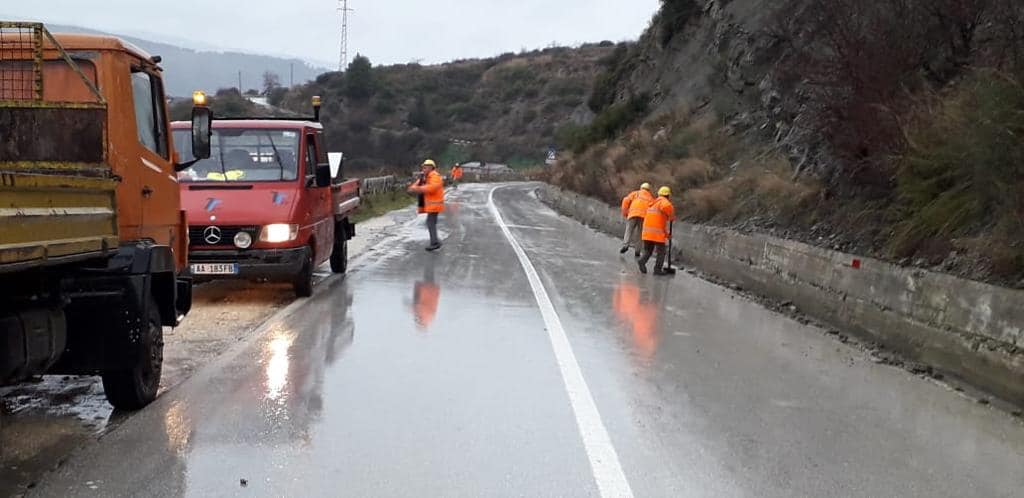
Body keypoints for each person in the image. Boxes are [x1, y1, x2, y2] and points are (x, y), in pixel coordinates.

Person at [408, 159, 445, 251]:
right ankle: (436, 241)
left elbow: (432, 188)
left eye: (425, 167)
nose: (423, 169)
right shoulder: (426, 177)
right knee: (431, 222)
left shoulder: (435, 176)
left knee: (430, 222)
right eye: (423, 167)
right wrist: (412, 188)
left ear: (431, 168)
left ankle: (435, 243)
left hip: (435, 204)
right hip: (431, 204)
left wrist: (418, 189)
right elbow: (417, 185)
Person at [638, 186, 676, 276]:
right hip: (657, 234)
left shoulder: (652, 203)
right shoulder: (665, 203)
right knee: (661, 252)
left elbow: (658, 223)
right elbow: (666, 207)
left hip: (646, 232)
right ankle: (657, 270)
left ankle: (642, 261)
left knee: (648, 250)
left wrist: (667, 235)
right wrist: (671, 216)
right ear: (668, 196)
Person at [620, 183, 654, 257]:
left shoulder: (636, 193)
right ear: (649, 190)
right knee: (640, 234)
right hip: (644, 217)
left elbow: (625, 200)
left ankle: (625, 245)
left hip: (632, 214)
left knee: (629, 230)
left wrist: (625, 212)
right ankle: (637, 251)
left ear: (641, 188)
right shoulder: (651, 198)